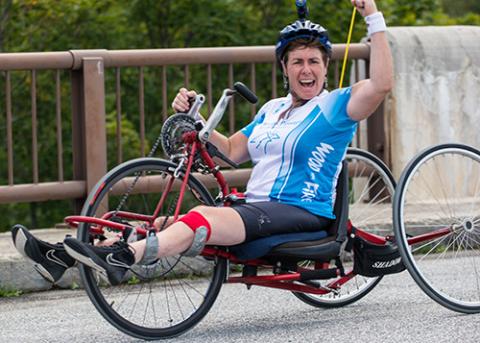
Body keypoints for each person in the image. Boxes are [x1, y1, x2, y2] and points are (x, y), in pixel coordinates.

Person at [11, 0, 393, 286]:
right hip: (257, 206)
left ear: (326, 67)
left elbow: (382, 84)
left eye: (313, 61)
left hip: (301, 210)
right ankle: (60, 256)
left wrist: (373, 17)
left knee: (202, 218)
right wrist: (195, 116)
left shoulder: (336, 105)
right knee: (169, 221)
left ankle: (124, 257)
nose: (306, 69)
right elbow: (231, 151)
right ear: (284, 69)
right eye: (297, 62)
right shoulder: (273, 110)